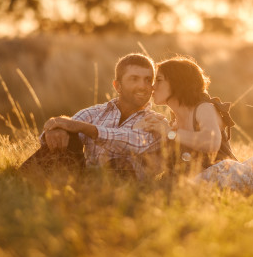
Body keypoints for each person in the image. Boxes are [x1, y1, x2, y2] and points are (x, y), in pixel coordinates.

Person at [135, 56, 253, 194]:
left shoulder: (203, 109)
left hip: (227, 175)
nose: (152, 86)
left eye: (159, 80)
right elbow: (156, 167)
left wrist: (170, 133)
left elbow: (210, 143)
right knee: (225, 170)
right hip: (195, 185)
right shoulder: (171, 121)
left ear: (177, 82)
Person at [18, 53, 163, 178]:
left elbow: (136, 143)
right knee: (67, 136)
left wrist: (82, 128)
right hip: (83, 180)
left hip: (122, 188)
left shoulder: (156, 121)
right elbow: (59, 131)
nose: (143, 86)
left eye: (148, 80)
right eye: (134, 79)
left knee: (119, 164)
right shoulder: (95, 113)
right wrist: (56, 130)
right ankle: (20, 181)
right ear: (117, 86)